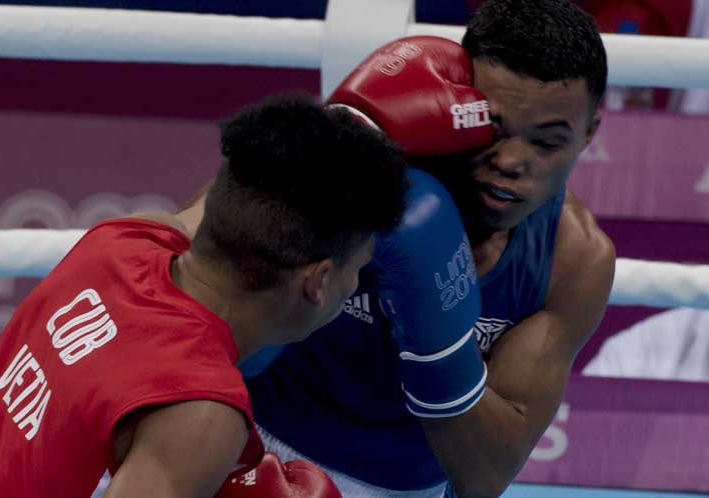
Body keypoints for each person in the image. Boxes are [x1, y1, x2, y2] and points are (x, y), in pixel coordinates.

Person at [242, 1, 616, 497]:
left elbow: (484, 477)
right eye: (494, 128)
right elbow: (206, 317)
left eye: (547, 143)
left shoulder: (573, 260)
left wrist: (438, 341)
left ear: (588, 134)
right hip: (247, 441)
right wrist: (321, 171)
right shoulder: (367, 170)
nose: (510, 161)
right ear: (458, 100)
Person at [0, 93, 410, 498]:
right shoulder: (201, 411)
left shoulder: (122, 241)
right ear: (318, 281)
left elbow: (220, 199)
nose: (357, 284)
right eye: (359, 267)